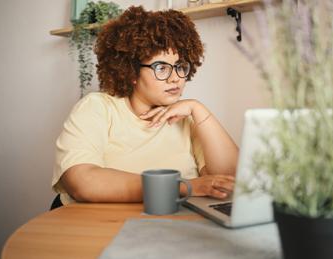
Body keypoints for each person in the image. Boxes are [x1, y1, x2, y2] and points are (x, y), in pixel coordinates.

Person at [51, 6, 239, 207]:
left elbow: (228, 181)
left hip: (171, 227)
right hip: (101, 228)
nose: (175, 78)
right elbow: (82, 181)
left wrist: (199, 109)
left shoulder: (187, 118)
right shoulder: (97, 108)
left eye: (180, 66)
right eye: (161, 68)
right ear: (131, 72)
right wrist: (185, 186)